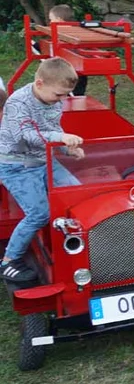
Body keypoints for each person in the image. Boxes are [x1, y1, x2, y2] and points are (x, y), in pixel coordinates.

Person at [0, 58, 83, 283]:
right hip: (16, 165)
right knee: (39, 213)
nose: (63, 100)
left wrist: (66, 149)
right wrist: (61, 138)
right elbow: (25, 135)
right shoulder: (18, 102)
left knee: (76, 194)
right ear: (39, 83)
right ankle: (9, 260)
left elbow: (53, 128)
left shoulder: (53, 101)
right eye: (59, 95)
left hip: (43, 159)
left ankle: (80, 247)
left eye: (67, 95)